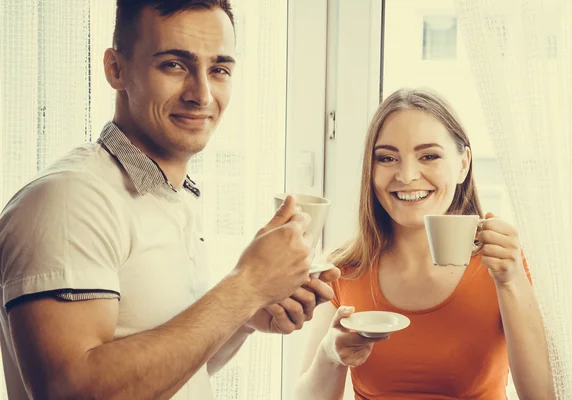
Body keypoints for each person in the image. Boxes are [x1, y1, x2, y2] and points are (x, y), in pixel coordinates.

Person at [0, 1, 340, 399]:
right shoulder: (67, 201)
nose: (202, 94)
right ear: (116, 69)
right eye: (175, 65)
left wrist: (248, 314)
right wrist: (245, 286)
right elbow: (71, 391)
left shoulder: (173, 196)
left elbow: (173, 372)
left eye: (219, 70)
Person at [294, 88, 555, 400]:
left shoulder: (504, 264)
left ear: (463, 164)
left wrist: (510, 279)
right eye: (387, 158)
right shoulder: (343, 268)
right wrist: (331, 355)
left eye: (428, 156)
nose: (406, 176)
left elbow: (542, 396)